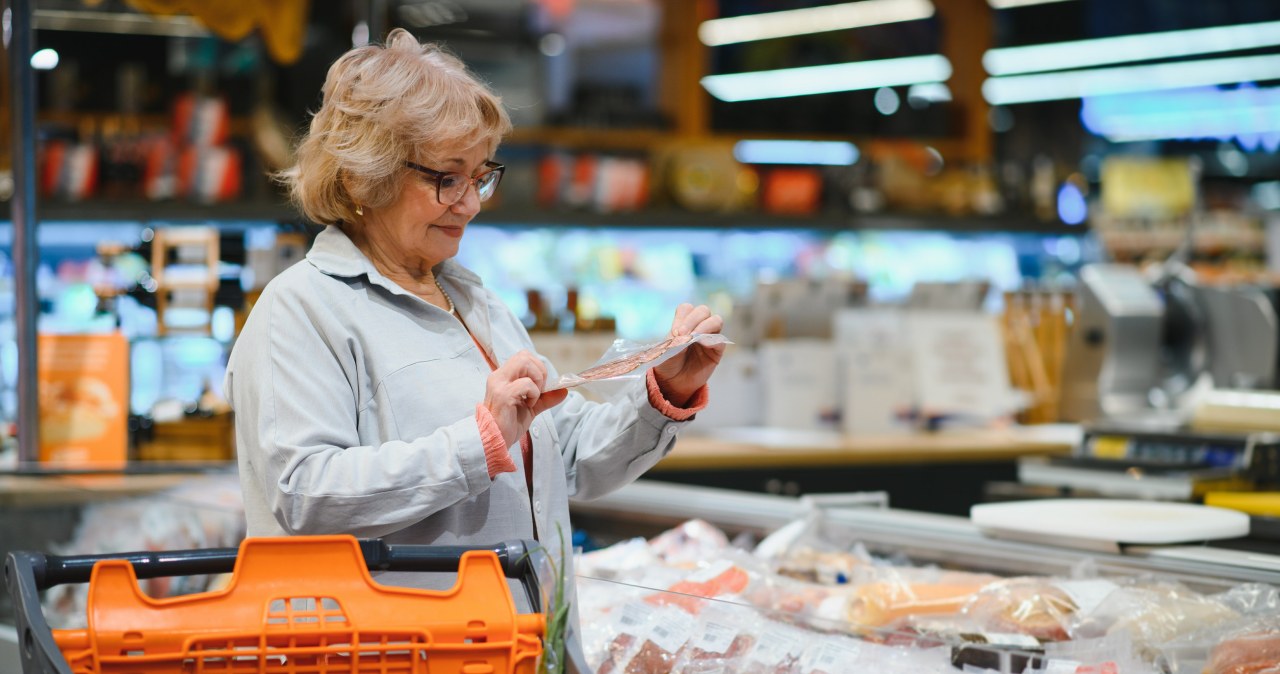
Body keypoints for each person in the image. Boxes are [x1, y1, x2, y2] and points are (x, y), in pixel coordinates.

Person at [224, 28, 724, 595]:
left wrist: (665, 391)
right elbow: (305, 493)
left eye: (481, 176)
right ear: (364, 176)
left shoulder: (472, 301)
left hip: (516, 635)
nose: (469, 204)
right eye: (447, 178)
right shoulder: (301, 309)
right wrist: (478, 442)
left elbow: (570, 458)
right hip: (397, 638)